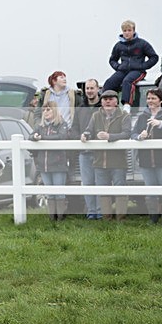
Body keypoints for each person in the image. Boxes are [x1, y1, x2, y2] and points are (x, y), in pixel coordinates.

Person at [131, 89, 162, 224]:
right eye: (148, 98)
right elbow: (133, 134)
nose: (150, 101)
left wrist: (161, 124)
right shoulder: (142, 116)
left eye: (153, 98)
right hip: (146, 160)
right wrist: (139, 137)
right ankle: (153, 218)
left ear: (161, 101)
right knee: (150, 190)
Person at [81, 90, 131, 220]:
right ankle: (106, 218)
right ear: (101, 102)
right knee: (103, 191)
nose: (107, 101)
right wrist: (85, 135)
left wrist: (110, 137)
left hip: (118, 161)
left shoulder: (124, 116)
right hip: (99, 161)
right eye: (104, 99)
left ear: (116, 101)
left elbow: (127, 134)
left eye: (110, 99)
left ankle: (121, 217)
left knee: (120, 189)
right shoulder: (96, 116)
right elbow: (89, 130)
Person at [103, 20, 159, 114]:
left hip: (138, 71)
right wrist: (118, 67)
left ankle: (127, 106)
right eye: (125, 31)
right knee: (109, 82)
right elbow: (112, 60)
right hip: (123, 70)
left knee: (127, 81)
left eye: (129, 30)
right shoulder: (118, 46)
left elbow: (154, 57)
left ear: (134, 31)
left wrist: (143, 66)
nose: (127, 33)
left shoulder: (142, 43)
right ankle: (107, 107)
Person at [30, 102, 70, 220]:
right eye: (44, 110)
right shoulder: (40, 126)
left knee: (59, 192)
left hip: (58, 164)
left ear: (55, 111)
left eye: (49, 109)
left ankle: (61, 217)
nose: (46, 112)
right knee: (49, 192)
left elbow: (61, 137)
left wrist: (42, 139)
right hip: (43, 165)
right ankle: (52, 217)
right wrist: (35, 137)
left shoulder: (62, 124)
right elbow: (30, 136)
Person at [71, 79, 102, 219]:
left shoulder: (103, 107)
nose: (89, 91)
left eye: (92, 88)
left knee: (100, 182)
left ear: (98, 89)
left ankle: (101, 212)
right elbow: (74, 129)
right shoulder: (80, 109)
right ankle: (91, 211)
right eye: (87, 88)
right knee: (87, 182)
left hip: (100, 152)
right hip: (84, 153)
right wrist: (80, 137)